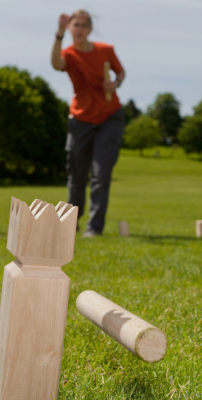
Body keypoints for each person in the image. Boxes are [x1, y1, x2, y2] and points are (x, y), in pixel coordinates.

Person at [51, 10, 126, 237]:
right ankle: (70, 226)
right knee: (76, 176)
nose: (80, 28)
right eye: (76, 25)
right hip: (80, 120)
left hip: (109, 117)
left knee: (100, 175)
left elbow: (120, 73)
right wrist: (59, 34)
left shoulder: (106, 50)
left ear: (90, 29)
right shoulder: (69, 54)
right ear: (71, 28)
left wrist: (115, 83)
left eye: (84, 25)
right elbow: (56, 64)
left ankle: (94, 228)